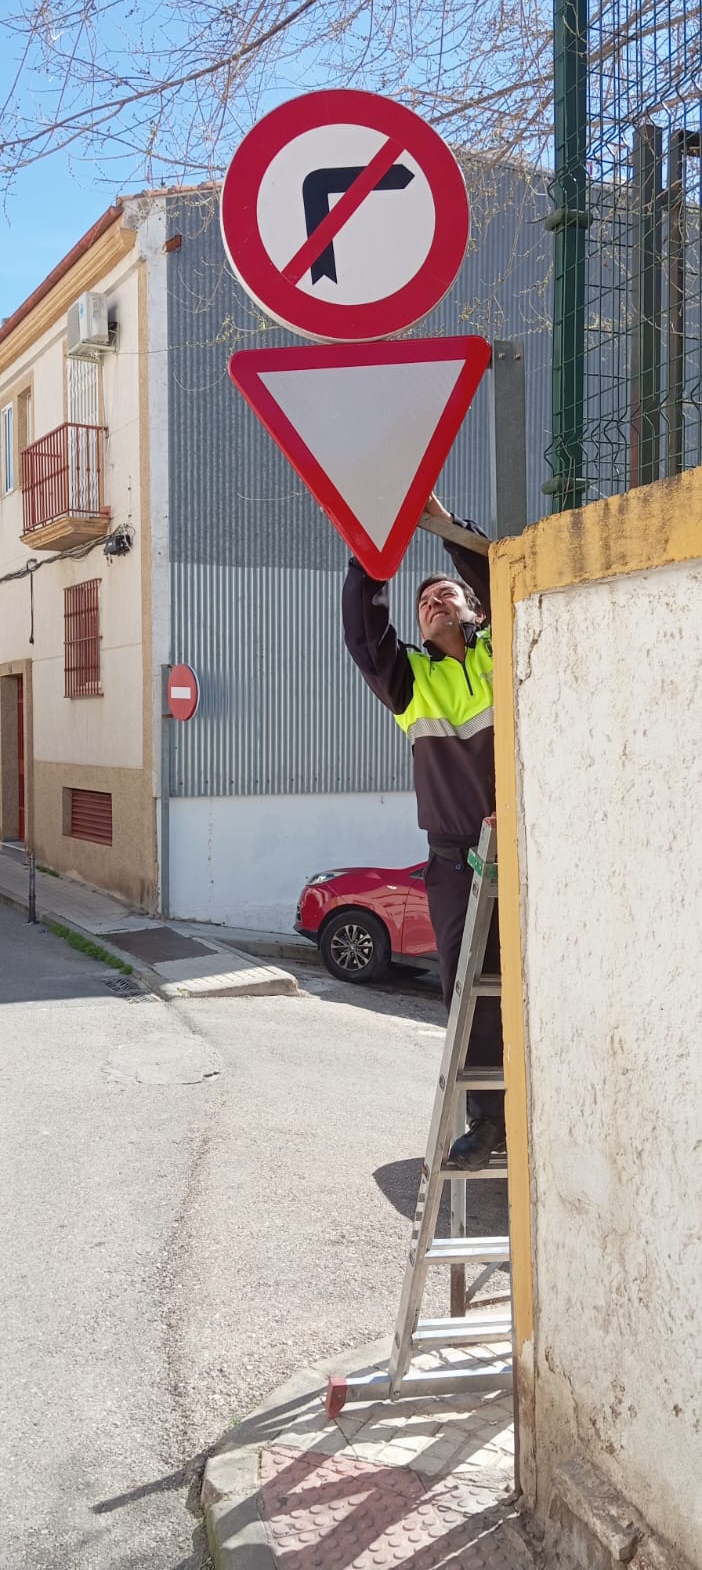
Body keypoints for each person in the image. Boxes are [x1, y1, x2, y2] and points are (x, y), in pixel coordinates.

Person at [342, 492, 504, 1170]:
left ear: (474, 610)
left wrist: (439, 527)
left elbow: (499, 573)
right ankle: (488, 1121)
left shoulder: (505, 647)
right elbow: (362, 631)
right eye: (424, 603)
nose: (434, 602)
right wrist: (379, 544)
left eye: (447, 595)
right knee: (468, 995)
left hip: (528, 851)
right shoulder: (411, 681)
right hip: (455, 864)